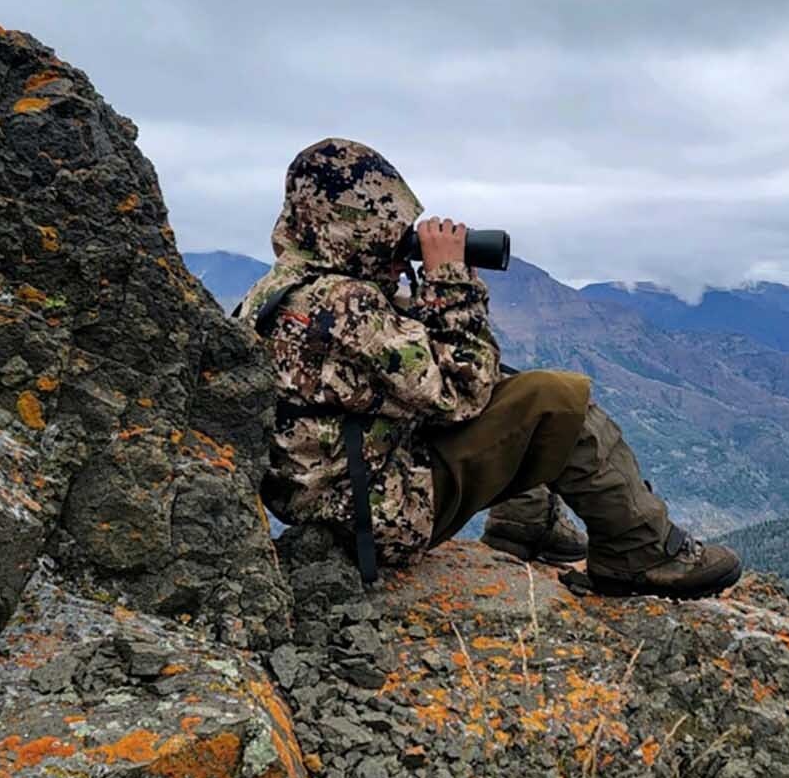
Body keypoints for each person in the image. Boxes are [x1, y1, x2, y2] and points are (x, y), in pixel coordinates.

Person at [240, 138, 741, 599]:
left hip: (333, 499)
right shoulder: (344, 303)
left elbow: (405, 367)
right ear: (354, 229)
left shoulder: (282, 291)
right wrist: (451, 281)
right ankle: (641, 554)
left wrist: (436, 293)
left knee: (512, 382)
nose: (398, 252)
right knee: (556, 399)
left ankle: (526, 524)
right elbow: (464, 391)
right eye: (388, 237)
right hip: (375, 514)